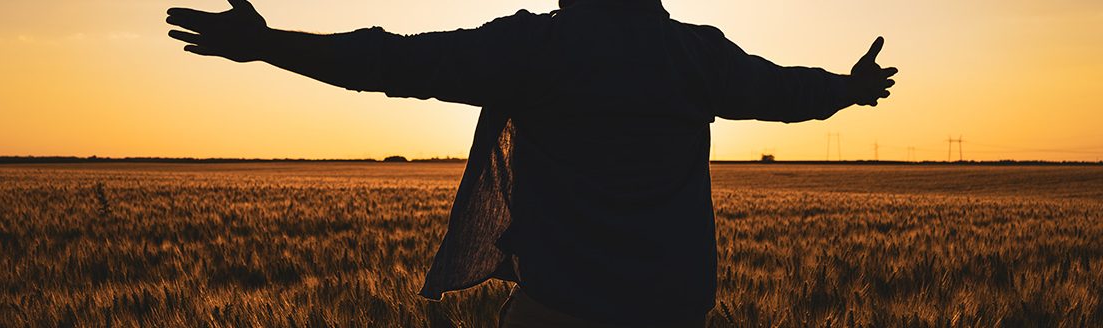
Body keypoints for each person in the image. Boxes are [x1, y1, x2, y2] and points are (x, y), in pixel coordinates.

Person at [167, 0, 896, 326]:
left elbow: (390, 59)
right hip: (673, 312)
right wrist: (853, 89)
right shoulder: (694, 53)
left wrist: (271, 44)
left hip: (561, 312)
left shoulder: (535, 46)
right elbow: (789, 93)